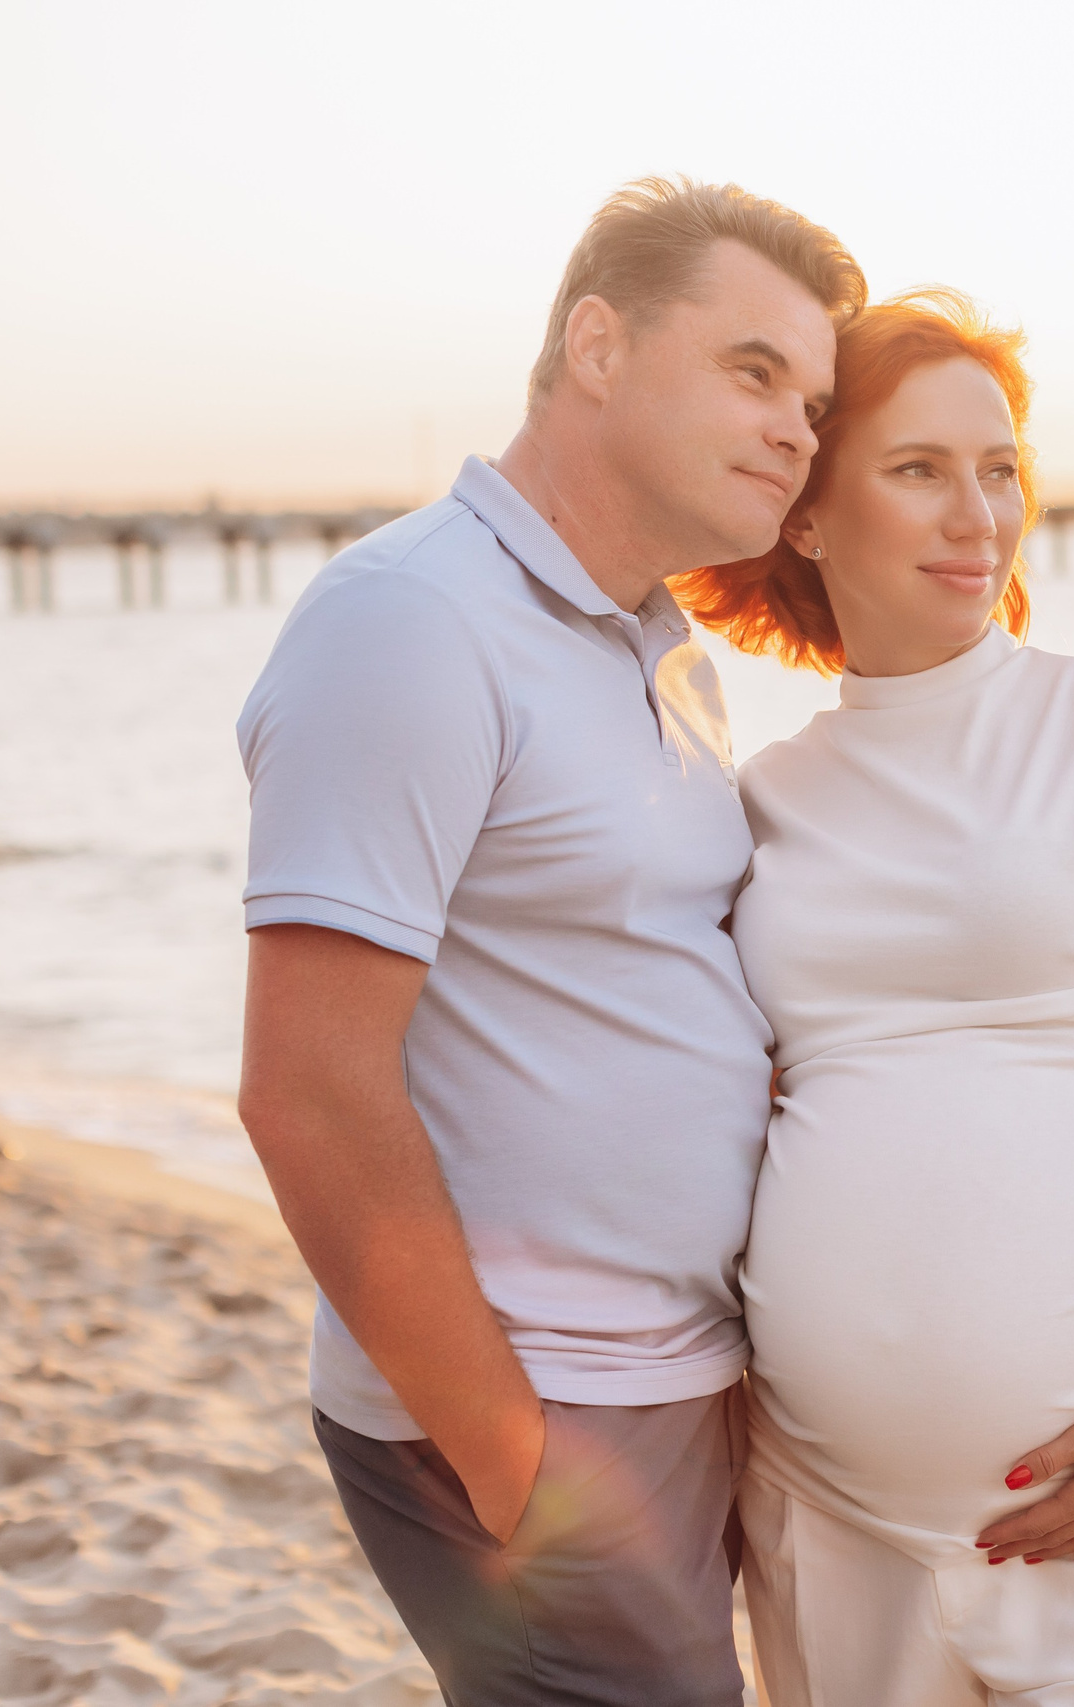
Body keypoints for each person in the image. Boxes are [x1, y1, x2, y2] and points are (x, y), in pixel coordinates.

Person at [233, 177, 862, 1706]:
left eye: (817, 400)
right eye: (754, 370)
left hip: (680, 1380)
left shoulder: (666, 653)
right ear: (597, 345)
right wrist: (513, 1459)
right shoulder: (413, 620)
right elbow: (310, 1089)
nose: (798, 428)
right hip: (533, 1400)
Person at [673, 291, 1074, 1705]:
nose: (978, 513)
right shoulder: (769, 799)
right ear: (805, 510)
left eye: (999, 467)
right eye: (918, 470)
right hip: (831, 1520)